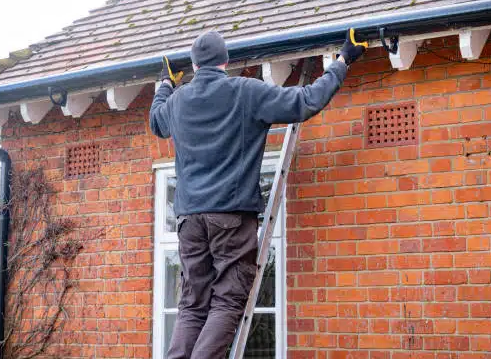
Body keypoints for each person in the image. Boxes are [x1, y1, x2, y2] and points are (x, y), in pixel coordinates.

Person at [150, 29, 366, 359]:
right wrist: (342, 60)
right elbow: (306, 100)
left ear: (194, 65)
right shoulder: (246, 92)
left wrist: (166, 82)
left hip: (189, 220)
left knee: (192, 306)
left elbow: (156, 120)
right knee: (227, 302)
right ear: (226, 61)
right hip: (231, 217)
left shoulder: (179, 100)